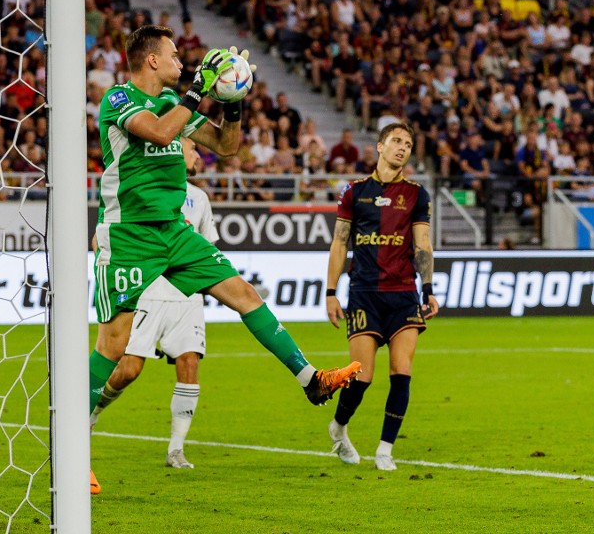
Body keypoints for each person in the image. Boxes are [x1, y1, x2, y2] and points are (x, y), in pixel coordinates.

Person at [89, 25, 362, 490]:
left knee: (244, 294)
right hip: (128, 233)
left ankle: (310, 379)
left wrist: (232, 99)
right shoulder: (118, 99)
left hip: (174, 230)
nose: (182, 63)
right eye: (175, 56)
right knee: (115, 347)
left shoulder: (178, 108)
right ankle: (73, 440)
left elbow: (227, 145)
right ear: (152, 60)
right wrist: (199, 89)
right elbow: (157, 133)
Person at [90, 138, 216, 471]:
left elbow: (208, 247)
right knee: (128, 369)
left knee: (189, 362)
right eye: (192, 149)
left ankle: (176, 449)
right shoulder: (144, 187)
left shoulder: (200, 199)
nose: (196, 156)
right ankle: (94, 410)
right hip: (147, 289)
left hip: (187, 294)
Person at [324, 122, 439, 472]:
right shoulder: (355, 192)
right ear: (380, 146)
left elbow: (422, 243)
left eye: (408, 143)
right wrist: (331, 292)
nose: (403, 147)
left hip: (403, 293)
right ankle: (339, 427)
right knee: (362, 377)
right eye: (396, 141)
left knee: (401, 371)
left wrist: (429, 288)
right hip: (364, 294)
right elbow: (340, 243)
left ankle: (385, 449)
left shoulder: (417, 195)